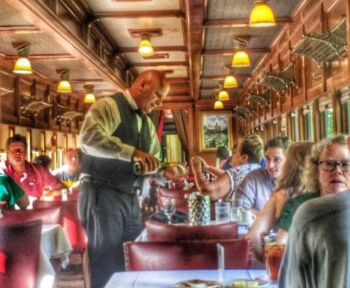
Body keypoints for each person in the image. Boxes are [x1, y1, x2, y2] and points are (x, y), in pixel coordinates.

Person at [78, 70, 172, 288]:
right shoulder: (109, 106)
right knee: (106, 261)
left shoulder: (147, 123)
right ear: (141, 85)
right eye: (158, 95)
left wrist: (165, 171)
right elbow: (89, 139)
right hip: (102, 192)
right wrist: (132, 152)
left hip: (130, 198)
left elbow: (153, 160)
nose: (159, 102)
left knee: (130, 257)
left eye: (162, 99)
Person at [246, 141, 313, 261]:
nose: (271, 165)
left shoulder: (282, 195)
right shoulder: (328, 195)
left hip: (290, 266)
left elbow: (253, 238)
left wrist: (266, 261)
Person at [276, 134, 350, 241]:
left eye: (345, 164)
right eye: (328, 164)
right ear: (316, 171)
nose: (337, 171)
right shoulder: (298, 206)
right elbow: (282, 244)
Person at [279, 190, 350, 288]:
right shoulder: (301, 207)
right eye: (328, 172)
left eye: (346, 172)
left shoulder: (309, 214)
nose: (337, 173)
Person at [191, 134, 263, 201]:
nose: (232, 155)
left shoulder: (238, 172)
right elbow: (228, 176)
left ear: (244, 158)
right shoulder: (257, 169)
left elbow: (207, 192)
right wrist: (207, 167)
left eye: (236, 152)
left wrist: (197, 170)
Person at [234, 136, 290, 214]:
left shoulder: (298, 184)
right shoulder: (253, 177)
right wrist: (271, 218)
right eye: (268, 159)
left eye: (276, 160)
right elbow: (239, 210)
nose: (270, 165)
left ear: (289, 161)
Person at [0, 134, 66, 200]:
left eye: (21, 150)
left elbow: (64, 188)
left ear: (25, 152)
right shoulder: (1, 171)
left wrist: (50, 194)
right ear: (7, 152)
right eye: (14, 150)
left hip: (35, 209)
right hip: (8, 210)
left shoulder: (39, 171)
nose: (17, 153)